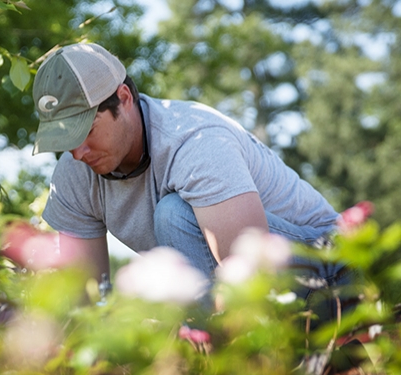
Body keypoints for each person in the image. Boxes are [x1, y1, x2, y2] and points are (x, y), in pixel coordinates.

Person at [32, 42, 350, 309]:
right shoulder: (74, 172)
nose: (77, 152)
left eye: (86, 130)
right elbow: (86, 296)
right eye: (65, 140)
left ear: (124, 98)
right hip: (258, 283)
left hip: (335, 272)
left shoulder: (194, 141)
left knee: (173, 215)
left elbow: (251, 274)